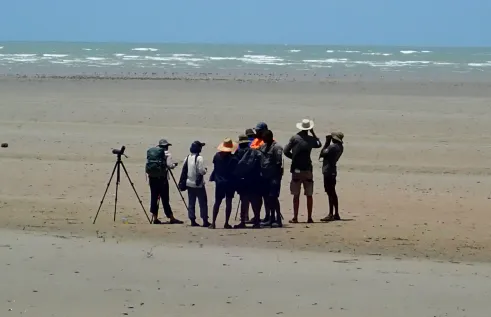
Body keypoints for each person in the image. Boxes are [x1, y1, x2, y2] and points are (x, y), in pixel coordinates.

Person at [283, 119, 322, 224]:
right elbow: (319, 144)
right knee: (309, 194)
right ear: (309, 129)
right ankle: (309, 217)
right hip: (308, 169)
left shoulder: (294, 138)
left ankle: (295, 217)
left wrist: (294, 158)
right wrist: (313, 133)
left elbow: (285, 151)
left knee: (296, 195)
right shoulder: (310, 139)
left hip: (296, 169)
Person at [146, 139, 183, 225]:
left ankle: (155, 218)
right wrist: (174, 165)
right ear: (166, 146)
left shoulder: (153, 153)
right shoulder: (167, 154)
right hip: (162, 179)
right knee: (165, 199)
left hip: (152, 178)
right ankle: (171, 217)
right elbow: (169, 165)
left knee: (154, 197)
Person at [234, 134, 263, 228]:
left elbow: (235, 167)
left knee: (244, 201)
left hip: (242, 180)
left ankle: (243, 221)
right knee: (255, 200)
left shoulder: (238, 153)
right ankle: (257, 221)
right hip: (254, 179)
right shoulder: (254, 152)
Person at [209, 138, 238, 229]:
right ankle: (226, 223)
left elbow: (216, 167)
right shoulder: (233, 159)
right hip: (229, 182)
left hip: (219, 182)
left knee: (217, 202)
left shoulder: (217, 156)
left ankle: (213, 223)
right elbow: (235, 171)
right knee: (228, 202)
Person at [259, 130, 284, 227]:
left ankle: (278, 219)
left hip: (274, 177)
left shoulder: (277, 147)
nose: (263, 140)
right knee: (267, 198)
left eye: (265, 138)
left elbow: (278, 163)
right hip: (265, 176)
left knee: (273, 197)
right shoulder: (263, 146)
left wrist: (276, 178)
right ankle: (271, 218)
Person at [182, 140, 210, 227]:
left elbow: (184, 170)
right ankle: (205, 220)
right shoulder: (199, 158)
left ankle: (192, 220)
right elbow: (201, 171)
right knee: (203, 202)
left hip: (189, 183)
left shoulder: (187, 157)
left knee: (191, 202)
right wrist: (205, 170)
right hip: (198, 184)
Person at [249, 122, 272, 223]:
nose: (256, 132)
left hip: (266, 174)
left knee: (267, 197)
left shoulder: (268, 141)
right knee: (256, 197)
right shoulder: (256, 140)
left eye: (258, 130)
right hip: (255, 174)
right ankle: (256, 216)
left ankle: (268, 216)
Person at [320, 132, 344, 222]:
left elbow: (322, 153)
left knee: (330, 192)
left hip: (328, 170)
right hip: (333, 170)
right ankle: (336, 213)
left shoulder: (333, 147)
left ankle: (331, 214)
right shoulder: (340, 147)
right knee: (333, 192)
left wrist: (327, 142)